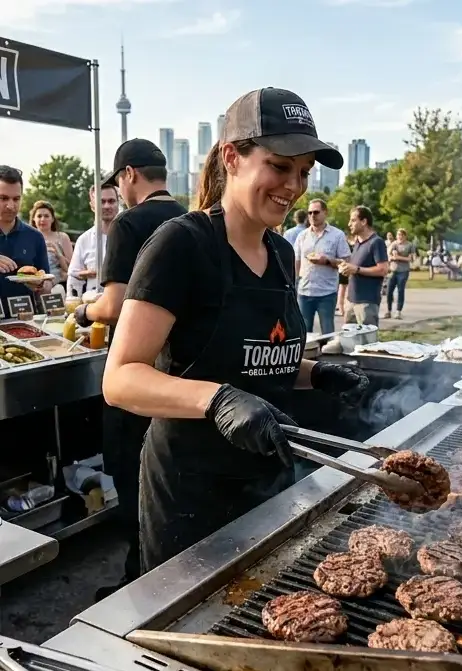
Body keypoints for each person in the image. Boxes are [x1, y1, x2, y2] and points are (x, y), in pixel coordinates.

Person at [101, 87, 367, 572]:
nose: (294, 185)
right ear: (232, 157)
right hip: (190, 491)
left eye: (304, 172)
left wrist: (317, 373)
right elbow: (120, 379)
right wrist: (217, 400)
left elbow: (261, 358)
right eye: (281, 166)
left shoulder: (283, 253)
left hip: (267, 480)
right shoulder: (182, 245)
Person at [75, 138, 186, 596]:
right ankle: (168, 573)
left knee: (130, 475)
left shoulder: (128, 223)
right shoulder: (192, 219)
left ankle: (139, 581)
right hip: (179, 376)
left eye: (117, 182)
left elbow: (116, 305)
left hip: (137, 376)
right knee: (167, 482)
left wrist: (84, 311)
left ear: (128, 176)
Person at [294, 198, 349, 334]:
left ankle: (327, 355)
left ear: (325, 213)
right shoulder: (302, 236)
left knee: (327, 332)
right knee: (304, 333)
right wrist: (296, 281)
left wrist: (327, 261)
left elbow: (346, 261)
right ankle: (307, 355)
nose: (313, 215)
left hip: (327, 293)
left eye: (316, 212)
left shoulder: (337, 235)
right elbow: (297, 260)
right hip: (305, 292)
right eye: (310, 212)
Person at [0, 165, 51, 310]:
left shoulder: (35, 236)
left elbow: (47, 286)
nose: (10, 206)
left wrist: (40, 284)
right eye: (3, 198)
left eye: (16, 199)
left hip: (26, 322)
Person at [339, 205, 388, 326]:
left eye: (353, 220)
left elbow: (383, 269)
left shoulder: (376, 242)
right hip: (351, 301)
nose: (349, 224)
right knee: (349, 341)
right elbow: (354, 269)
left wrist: (357, 269)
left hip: (367, 303)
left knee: (367, 342)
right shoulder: (357, 243)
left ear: (364, 221)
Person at [68, 185, 120, 297]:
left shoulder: (130, 236)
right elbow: (73, 275)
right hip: (93, 304)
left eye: (111, 201)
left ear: (118, 204)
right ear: (92, 205)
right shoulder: (84, 240)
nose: (107, 206)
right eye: (101, 202)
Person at [29, 201, 72, 287]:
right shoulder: (28, 238)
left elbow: (73, 266)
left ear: (52, 219)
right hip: (34, 281)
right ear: (34, 218)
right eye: (39, 216)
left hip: (58, 282)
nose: (42, 219)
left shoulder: (62, 237)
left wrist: (58, 254)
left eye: (46, 216)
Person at [386, 228, 415, 319]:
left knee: (400, 290)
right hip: (393, 270)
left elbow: (410, 259)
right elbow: (388, 255)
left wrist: (398, 257)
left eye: (402, 235)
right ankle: (389, 310)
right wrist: (392, 257)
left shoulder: (409, 245)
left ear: (405, 236)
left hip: (403, 271)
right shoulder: (394, 244)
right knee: (389, 291)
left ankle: (398, 311)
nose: (400, 237)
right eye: (398, 235)